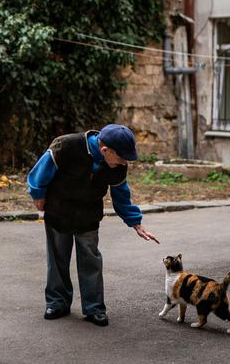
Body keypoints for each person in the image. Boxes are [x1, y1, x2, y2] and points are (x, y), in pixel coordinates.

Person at [28, 123, 159, 327]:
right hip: (58, 210)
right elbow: (40, 172)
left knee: (91, 259)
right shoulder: (66, 146)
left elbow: (121, 196)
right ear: (105, 150)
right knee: (57, 258)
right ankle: (57, 302)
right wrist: (38, 193)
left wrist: (135, 222)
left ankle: (94, 308)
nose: (124, 162)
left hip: (88, 215)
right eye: (121, 158)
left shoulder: (117, 166)